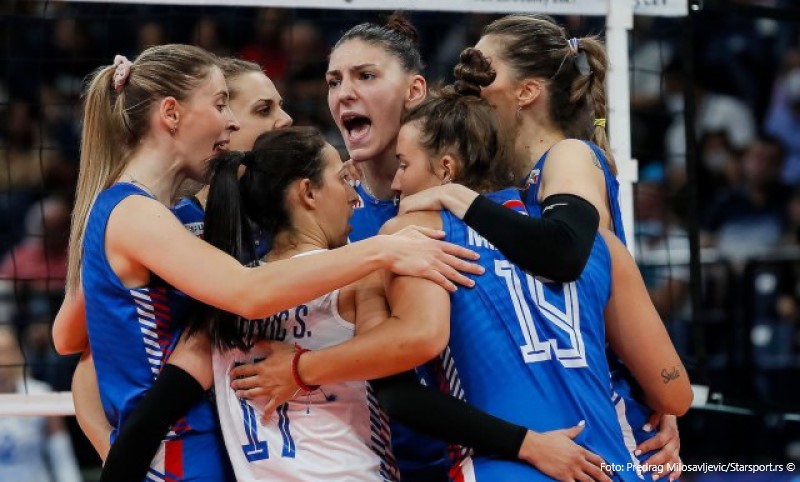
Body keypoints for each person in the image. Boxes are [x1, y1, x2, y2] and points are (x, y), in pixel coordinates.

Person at [57, 44, 481, 482]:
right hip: (179, 449)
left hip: (215, 445)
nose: (231, 121)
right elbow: (246, 293)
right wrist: (383, 250)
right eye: (222, 104)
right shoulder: (137, 214)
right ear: (171, 113)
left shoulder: (206, 227)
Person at [230, 86, 693, 481]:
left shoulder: (415, 233)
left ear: (446, 170)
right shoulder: (598, 243)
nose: (395, 184)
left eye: (404, 164)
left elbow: (402, 373)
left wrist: (301, 369)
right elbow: (674, 393)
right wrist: (659, 410)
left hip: (503, 468)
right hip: (613, 464)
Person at [397, 15, 683, 479]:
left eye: (483, 71)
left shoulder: (569, 155)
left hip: (598, 401)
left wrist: (456, 196)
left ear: (527, 91)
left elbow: (562, 255)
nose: (470, 82)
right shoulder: (508, 183)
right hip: (560, 396)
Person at [0, 325, 82, 482]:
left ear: (17, 354)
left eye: (5, 351)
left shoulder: (40, 394)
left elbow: (62, 457)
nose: (1, 359)